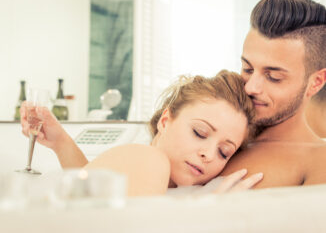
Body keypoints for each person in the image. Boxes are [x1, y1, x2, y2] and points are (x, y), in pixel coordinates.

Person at [20, 70, 263, 196]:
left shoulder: (154, 176)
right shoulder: (150, 161)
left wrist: (61, 143)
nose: (209, 154)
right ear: (165, 120)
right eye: (200, 133)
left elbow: (91, 198)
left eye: (224, 152)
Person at [220, 0, 326, 188]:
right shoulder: (210, 135)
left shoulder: (319, 161)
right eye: (248, 69)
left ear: (316, 82)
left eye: (273, 77)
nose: (250, 87)